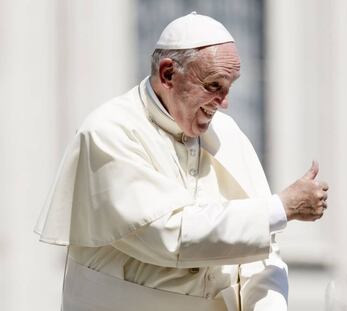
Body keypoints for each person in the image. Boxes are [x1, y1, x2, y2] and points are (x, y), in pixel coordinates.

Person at [35, 12, 328, 311]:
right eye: (214, 86)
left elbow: (263, 258)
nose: (224, 102)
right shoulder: (108, 132)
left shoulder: (228, 134)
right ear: (167, 75)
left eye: (230, 86)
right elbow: (170, 234)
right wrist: (280, 208)